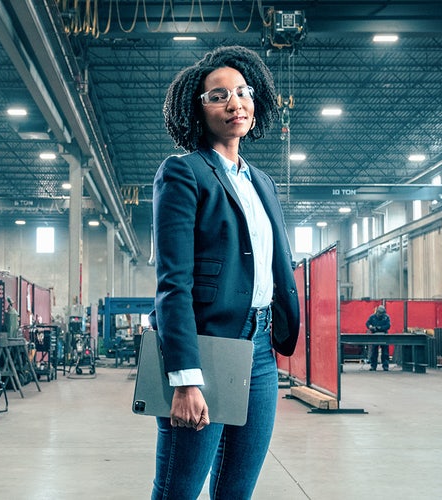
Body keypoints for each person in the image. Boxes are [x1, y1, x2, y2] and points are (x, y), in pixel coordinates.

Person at [150, 46, 300, 499]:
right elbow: (173, 284)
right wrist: (186, 378)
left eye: (242, 92)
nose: (235, 103)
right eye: (219, 96)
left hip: (259, 350)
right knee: (179, 490)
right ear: (197, 109)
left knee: (237, 491)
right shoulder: (183, 173)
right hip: (207, 349)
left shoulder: (262, 182)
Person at [366, 305, 391, 371]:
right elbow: (367, 323)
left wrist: (379, 328)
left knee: (385, 352)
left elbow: (388, 326)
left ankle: (385, 366)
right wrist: (370, 326)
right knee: (374, 351)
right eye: (379, 313)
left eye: (381, 314)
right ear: (377, 312)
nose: (380, 315)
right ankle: (373, 366)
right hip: (375, 335)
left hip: (384, 335)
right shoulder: (372, 317)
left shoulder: (386, 317)